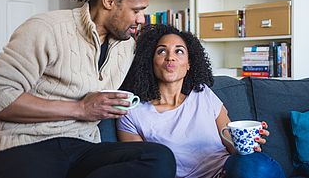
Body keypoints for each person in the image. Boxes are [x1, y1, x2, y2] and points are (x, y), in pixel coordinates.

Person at [0, 0, 176, 178]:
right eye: (136, 10)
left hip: (83, 147)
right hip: (23, 145)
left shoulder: (126, 46)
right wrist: (81, 109)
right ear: (109, 1)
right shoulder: (46, 29)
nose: (141, 19)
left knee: (159, 158)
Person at [117, 24, 285, 178]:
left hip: (227, 170)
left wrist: (247, 144)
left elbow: (230, 143)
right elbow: (144, 170)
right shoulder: (132, 113)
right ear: (150, 61)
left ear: (189, 63)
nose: (170, 58)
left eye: (179, 51)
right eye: (162, 51)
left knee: (258, 165)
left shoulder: (203, 93)